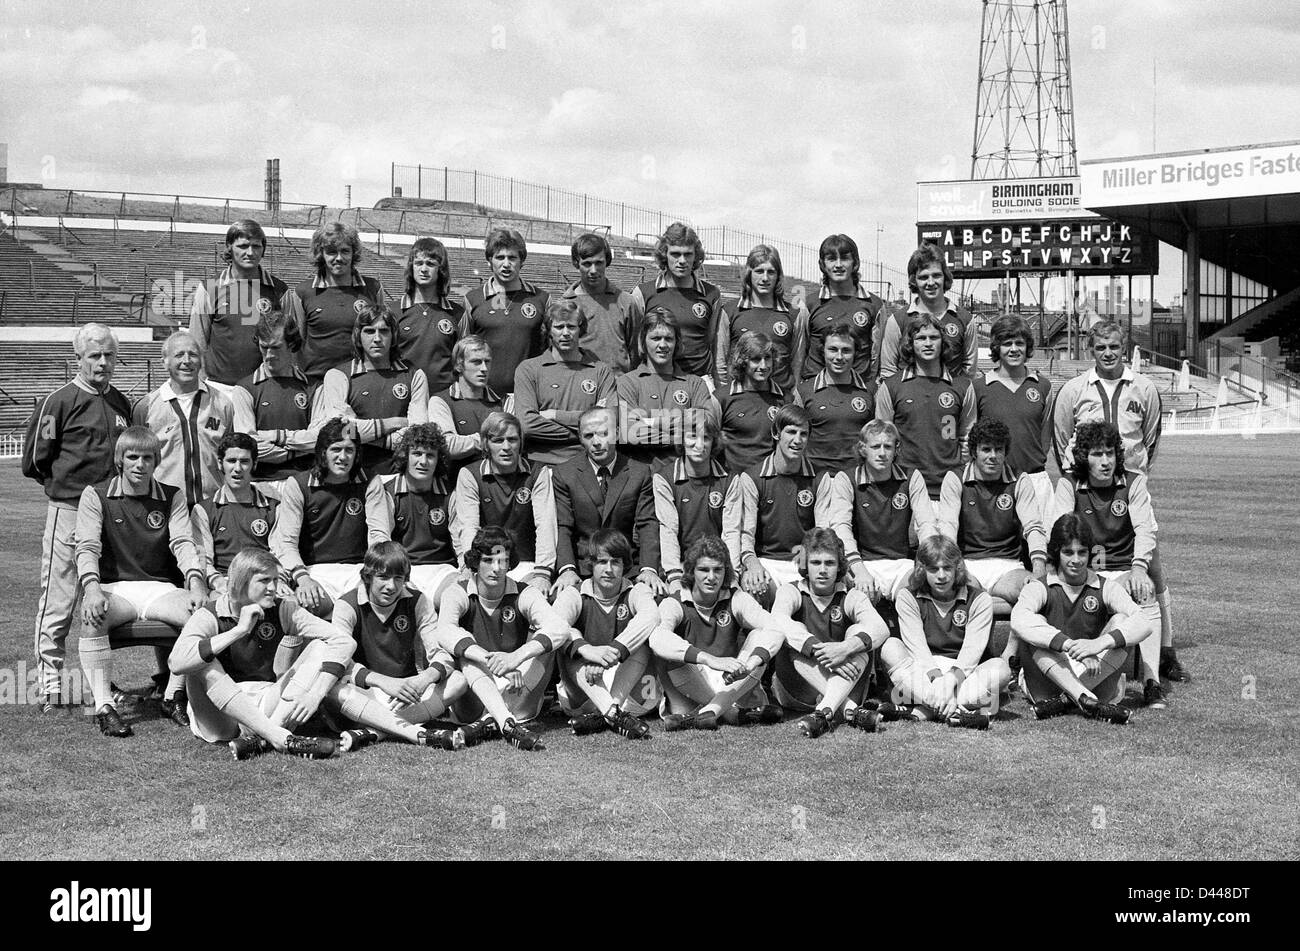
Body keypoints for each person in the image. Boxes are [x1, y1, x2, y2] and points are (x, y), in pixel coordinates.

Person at [1052, 320, 1183, 686]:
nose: (1108, 353)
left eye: (1114, 347)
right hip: (1087, 486)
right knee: (1081, 560)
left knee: (1150, 570)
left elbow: (1150, 439)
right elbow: (1061, 435)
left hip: (1129, 487)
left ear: (1124, 347)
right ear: (1090, 350)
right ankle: (1077, 643)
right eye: (1100, 348)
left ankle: (1165, 653)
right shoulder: (1074, 390)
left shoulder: (1144, 388)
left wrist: (1132, 473)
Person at [23, 322, 131, 710]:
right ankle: (50, 684)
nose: (103, 362)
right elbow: (36, 461)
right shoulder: (58, 401)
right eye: (94, 355)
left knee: (99, 599)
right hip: (68, 512)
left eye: (109, 355)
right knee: (59, 599)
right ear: (78, 358)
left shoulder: (121, 403)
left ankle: (98, 681)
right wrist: (67, 492)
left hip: (110, 517)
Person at [74, 427, 208, 737]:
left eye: (147, 457)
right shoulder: (96, 494)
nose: (140, 464)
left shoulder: (172, 495)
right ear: (120, 459)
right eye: (132, 457)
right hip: (116, 589)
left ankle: (173, 696)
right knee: (92, 615)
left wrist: (196, 581)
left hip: (160, 589)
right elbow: (87, 546)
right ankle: (105, 707)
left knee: (201, 616)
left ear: (156, 460)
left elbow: (183, 543)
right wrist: (92, 588)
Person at [168, 548, 351, 760]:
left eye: (275, 580)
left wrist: (316, 694)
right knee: (200, 662)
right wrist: (239, 630)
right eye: (264, 581)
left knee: (320, 646)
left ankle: (267, 736)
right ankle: (279, 737)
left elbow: (343, 641)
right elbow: (176, 662)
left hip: (266, 701)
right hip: (220, 718)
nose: (273, 588)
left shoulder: (283, 609)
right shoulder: (209, 614)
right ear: (241, 582)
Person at [1053, 421, 1174, 709]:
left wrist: (1139, 569)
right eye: (1097, 454)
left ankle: (1151, 681)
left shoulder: (1133, 482)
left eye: (1109, 453)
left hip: (1124, 569)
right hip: (1084, 572)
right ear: (1084, 457)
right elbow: (1061, 532)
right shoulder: (1068, 484)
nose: (1105, 461)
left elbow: (1146, 530)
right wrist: (1091, 578)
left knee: (1146, 591)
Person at [436, 527, 571, 751]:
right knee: (465, 648)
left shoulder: (523, 592)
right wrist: (492, 660)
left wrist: (515, 658)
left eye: (503, 561)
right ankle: (504, 722)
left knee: (547, 643)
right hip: (475, 692)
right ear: (475, 562)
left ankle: (494, 721)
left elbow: (560, 628)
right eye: (489, 560)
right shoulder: (457, 592)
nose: (497, 569)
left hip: (517, 688)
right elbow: (444, 632)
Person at [327, 542, 471, 751]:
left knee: (458, 680)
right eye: (383, 577)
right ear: (367, 577)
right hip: (364, 694)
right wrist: (384, 682)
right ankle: (413, 731)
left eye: (398, 578)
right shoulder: (347, 605)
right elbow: (339, 662)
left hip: (406, 694)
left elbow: (441, 653)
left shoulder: (418, 601)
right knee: (333, 689)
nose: (392, 586)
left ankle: (374, 732)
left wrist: (423, 680)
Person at [1011, 514, 1153, 725]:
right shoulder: (1039, 587)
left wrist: (1097, 644)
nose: (1076, 560)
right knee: (1033, 625)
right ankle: (1082, 698)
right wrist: (1070, 646)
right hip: (1049, 677)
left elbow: (1144, 621)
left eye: (1082, 552)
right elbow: (1019, 620)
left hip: (1095, 673)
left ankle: (1071, 700)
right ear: (1057, 552)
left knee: (1123, 620)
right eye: (1068, 552)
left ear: (1090, 553)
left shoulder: (1106, 586)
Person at [650, 535, 796, 730]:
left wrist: (749, 664)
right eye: (704, 569)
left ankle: (708, 713)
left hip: (733, 679)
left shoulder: (735, 597)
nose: (711, 577)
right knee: (669, 649)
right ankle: (730, 713)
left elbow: (775, 629)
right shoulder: (675, 602)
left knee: (760, 636)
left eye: (718, 570)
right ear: (691, 571)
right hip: (693, 683)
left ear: (726, 571)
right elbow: (657, 638)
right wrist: (710, 659)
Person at [878, 536, 1010, 729]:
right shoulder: (908, 596)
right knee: (890, 647)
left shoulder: (980, 599)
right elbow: (918, 649)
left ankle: (922, 711)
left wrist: (949, 681)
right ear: (922, 569)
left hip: (962, 674)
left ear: (958, 568)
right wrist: (938, 681)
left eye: (947, 568)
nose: (941, 576)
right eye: (933, 569)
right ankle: (957, 710)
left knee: (1001, 669)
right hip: (923, 673)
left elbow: (972, 652)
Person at [769, 529, 890, 737]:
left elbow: (881, 629)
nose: (823, 570)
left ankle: (824, 713)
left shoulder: (851, 596)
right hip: (796, 690)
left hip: (845, 681)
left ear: (839, 566)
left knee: (859, 632)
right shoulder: (791, 591)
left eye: (830, 563)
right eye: (816, 563)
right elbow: (777, 621)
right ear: (805, 564)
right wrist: (822, 652)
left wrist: (845, 648)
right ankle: (850, 709)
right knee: (795, 635)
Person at [724, 404, 840, 606]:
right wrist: (751, 564)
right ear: (776, 433)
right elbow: (746, 534)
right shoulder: (752, 477)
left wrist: (810, 559)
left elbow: (823, 533)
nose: (797, 440)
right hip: (767, 562)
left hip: (804, 560)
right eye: (791, 432)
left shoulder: (820, 478)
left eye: (803, 434)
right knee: (754, 587)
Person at [270, 419, 386, 618]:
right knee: (304, 607)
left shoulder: (370, 482)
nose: (343, 457)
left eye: (349, 450)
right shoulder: (298, 484)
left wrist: (373, 575)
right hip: (314, 572)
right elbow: (287, 542)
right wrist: (303, 579)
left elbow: (379, 536)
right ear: (323, 452)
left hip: (357, 571)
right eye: (336, 449)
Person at [551, 529, 659, 738]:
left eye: (615, 562)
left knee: (644, 640)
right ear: (591, 564)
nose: (608, 569)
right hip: (586, 691)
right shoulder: (575, 593)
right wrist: (587, 649)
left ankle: (608, 712)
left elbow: (651, 616)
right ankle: (613, 713)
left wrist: (608, 655)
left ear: (624, 565)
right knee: (567, 642)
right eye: (602, 562)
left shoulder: (636, 591)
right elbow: (554, 626)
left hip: (632, 696)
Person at [550, 407, 664, 596]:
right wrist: (567, 569)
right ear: (580, 438)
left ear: (617, 433)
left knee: (655, 596)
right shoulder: (564, 474)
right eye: (588, 436)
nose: (596, 442)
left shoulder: (639, 473)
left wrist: (649, 569)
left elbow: (647, 524)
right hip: (582, 567)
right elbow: (563, 526)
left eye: (604, 434)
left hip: (625, 567)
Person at [936, 417, 1046, 609]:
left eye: (999, 449)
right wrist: (955, 566)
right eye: (986, 449)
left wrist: (1038, 567)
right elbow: (948, 526)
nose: (993, 456)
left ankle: (1014, 638)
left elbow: (1033, 526)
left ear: (1006, 452)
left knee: (1036, 594)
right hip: (968, 563)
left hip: (1008, 567)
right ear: (973, 452)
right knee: (962, 598)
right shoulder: (955, 478)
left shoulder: (1019, 480)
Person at [827, 420, 938, 603]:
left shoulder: (911, 477)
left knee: (917, 594)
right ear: (863, 449)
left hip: (901, 564)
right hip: (863, 563)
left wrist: (929, 563)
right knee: (861, 599)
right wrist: (859, 569)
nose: (882, 453)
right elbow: (841, 528)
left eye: (887, 446)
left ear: (896, 450)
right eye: (875, 446)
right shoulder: (846, 479)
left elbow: (927, 524)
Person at [313, 302, 428, 476]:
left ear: (394, 335)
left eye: (383, 331)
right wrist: (394, 423)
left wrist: (368, 437)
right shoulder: (337, 376)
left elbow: (417, 435)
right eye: (369, 331)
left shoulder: (414, 375)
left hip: (401, 476)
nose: (377, 338)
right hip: (354, 477)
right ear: (358, 335)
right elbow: (340, 432)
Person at [874, 313, 976, 500]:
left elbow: (966, 436)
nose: (928, 343)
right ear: (910, 344)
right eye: (921, 338)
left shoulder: (962, 386)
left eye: (934, 337)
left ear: (943, 342)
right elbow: (883, 438)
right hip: (904, 487)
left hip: (949, 487)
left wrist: (958, 470)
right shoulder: (891, 386)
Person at [451, 411, 556, 591]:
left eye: (512, 439)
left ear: (521, 442)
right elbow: (468, 526)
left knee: (535, 595)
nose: (506, 447)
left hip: (526, 563)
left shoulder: (538, 473)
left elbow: (545, 524)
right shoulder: (470, 474)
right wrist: (471, 567)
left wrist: (543, 573)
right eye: (498, 440)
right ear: (486, 444)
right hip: (487, 562)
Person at [133, 331, 236, 510]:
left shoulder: (222, 403)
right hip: (164, 507)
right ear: (164, 362)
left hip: (213, 507)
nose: (187, 360)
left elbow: (231, 455)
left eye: (193, 354)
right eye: (179, 354)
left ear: (201, 361)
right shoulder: (147, 406)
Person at [513, 298, 616, 466]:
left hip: (586, 463)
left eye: (571, 327)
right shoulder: (528, 369)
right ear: (549, 330)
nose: (566, 333)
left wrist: (555, 415)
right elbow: (527, 426)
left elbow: (608, 421)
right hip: (540, 464)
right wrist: (588, 431)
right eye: (559, 327)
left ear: (580, 329)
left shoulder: (600, 370)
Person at [188, 219, 289, 388]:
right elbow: (197, 342)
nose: (250, 252)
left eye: (256, 246)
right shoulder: (209, 289)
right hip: (219, 388)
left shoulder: (279, 290)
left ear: (263, 249)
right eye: (243, 246)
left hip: (264, 388)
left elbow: (290, 343)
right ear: (229, 247)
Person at [972, 315, 1055, 519]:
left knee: (1039, 544)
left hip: (1034, 478)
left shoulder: (1043, 386)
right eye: (1007, 343)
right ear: (996, 348)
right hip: (994, 481)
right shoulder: (979, 387)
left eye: (1020, 343)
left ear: (1028, 347)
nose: (1014, 349)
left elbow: (1044, 437)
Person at [615, 307, 718, 465]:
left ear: (677, 342)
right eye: (656, 338)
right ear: (643, 340)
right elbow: (629, 432)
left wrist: (650, 422)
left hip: (682, 476)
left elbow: (706, 425)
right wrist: (682, 435)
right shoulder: (627, 383)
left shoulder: (695, 384)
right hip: (641, 478)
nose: (663, 345)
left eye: (668, 338)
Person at [284, 222, 384, 383]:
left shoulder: (373, 289)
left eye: (345, 251)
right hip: (317, 382)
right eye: (331, 252)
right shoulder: (303, 292)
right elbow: (295, 345)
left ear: (353, 253)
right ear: (321, 254)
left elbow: (382, 336)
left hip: (361, 381)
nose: (339, 258)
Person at [373, 423, 460, 602]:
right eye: (417, 454)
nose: (423, 461)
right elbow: (381, 540)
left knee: (456, 597)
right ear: (405, 456)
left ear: (438, 460)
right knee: (405, 603)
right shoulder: (388, 492)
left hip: (441, 571)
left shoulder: (450, 493)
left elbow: (460, 537)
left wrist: (466, 570)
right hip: (401, 570)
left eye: (430, 455)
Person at [630, 222, 723, 385]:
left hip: (699, 380)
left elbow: (715, 345)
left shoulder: (711, 294)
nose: (682, 261)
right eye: (675, 254)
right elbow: (635, 345)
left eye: (688, 254)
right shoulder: (643, 293)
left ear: (696, 256)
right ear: (665, 254)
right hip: (656, 380)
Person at [230, 309, 318, 481]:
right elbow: (248, 446)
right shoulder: (244, 389)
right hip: (261, 483)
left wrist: (277, 437)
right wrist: (295, 452)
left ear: (292, 345)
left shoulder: (314, 387)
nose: (269, 355)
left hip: (305, 483)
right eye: (264, 347)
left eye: (276, 347)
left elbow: (320, 439)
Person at [461, 227, 549, 395]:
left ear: (522, 261)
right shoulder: (473, 299)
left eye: (512, 258)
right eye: (500, 257)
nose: (506, 264)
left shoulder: (541, 299)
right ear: (489, 260)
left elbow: (550, 350)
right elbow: (463, 350)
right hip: (484, 395)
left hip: (529, 395)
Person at [653, 414, 734, 591]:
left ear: (714, 442)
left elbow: (731, 531)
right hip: (682, 564)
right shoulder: (664, 478)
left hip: (715, 566)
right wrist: (674, 574)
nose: (699, 445)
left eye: (706, 438)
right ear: (681, 440)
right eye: (692, 436)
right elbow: (668, 529)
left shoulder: (730, 479)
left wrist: (731, 573)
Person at [192, 432, 279, 596]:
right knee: (217, 607)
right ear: (220, 464)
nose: (237, 468)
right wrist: (218, 583)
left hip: (264, 582)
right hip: (225, 582)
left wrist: (277, 580)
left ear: (254, 464)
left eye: (245, 461)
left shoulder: (273, 508)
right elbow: (204, 561)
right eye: (231, 461)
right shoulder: (203, 510)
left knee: (291, 604)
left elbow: (279, 555)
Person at [715, 244, 808, 391]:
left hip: (781, 400)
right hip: (741, 400)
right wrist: (726, 395)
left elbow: (798, 361)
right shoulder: (730, 311)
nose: (765, 278)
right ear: (749, 273)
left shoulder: (794, 314)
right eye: (759, 271)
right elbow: (720, 361)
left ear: (778, 275)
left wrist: (793, 394)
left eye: (771, 272)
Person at [878, 245, 978, 379]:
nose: (931, 283)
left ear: (945, 277)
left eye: (936, 275)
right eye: (924, 277)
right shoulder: (898, 320)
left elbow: (969, 371)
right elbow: (888, 370)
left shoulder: (965, 320)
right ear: (913, 280)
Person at [793, 320, 877, 476]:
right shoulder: (804, 391)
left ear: (855, 353)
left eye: (846, 350)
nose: (839, 357)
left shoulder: (871, 390)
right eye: (833, 349)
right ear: (822, 351)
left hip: (857, 479)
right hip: (816, 478)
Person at [803, 234, 884, 381]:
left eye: (845, 258)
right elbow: (799, 351)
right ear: (822, 264)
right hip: (815, 391)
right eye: (832, 259)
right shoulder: (809, 304)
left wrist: (871, 387)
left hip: (859, 391)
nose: (838, 265)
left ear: (855, 263)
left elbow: (877, 355)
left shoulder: (874, 304)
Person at [429, 335, 509, 480]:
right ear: (459, 365)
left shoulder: (505, 401)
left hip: (498, 486)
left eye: (487, 362)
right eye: (476, 362)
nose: (484, 369)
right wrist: (491, 439)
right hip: (455, 485)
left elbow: (512, 442)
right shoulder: (440, 401)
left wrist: (470, 443)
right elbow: (448, 446)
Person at [562, 232, 637, 374]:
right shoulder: (564, 304)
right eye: (587, 264)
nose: (593, 270)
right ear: (576, 263)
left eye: (599, 263)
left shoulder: (626, 302)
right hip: (580, 385)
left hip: (618, 386)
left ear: (607, 262)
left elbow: (636, 351)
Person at [396, 237, 462, 393]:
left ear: (441, 270)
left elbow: (462, 360)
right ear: (411, 268)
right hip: (404, 394)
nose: (424, 269)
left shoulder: (457, 313)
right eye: (419, 263)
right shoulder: (393, 311)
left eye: (431, 264)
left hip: (443, 397)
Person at [717, 331, 788, 474]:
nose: (763, 366)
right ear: (742, 361)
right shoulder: (721, 398)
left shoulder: (786, 399)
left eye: (767, 358)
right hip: (733, 483)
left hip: (769, 483)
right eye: (756, 359)